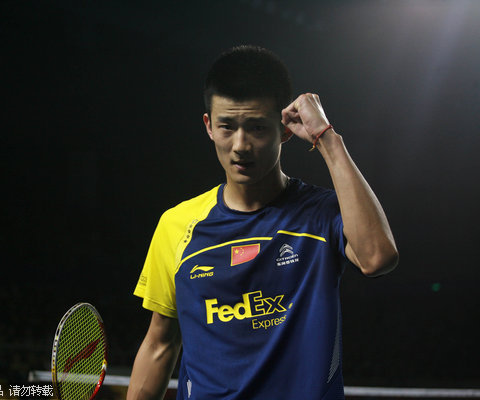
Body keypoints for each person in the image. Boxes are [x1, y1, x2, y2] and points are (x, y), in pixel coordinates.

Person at [127, 45, 398, 400]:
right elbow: (160, 344)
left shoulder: (321, 213)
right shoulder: (177, 225)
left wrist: (328, 139)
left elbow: (377, 257)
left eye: (256, 128)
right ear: (209, 126)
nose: (240, 145)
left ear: (285, 130)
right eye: (227, 126)